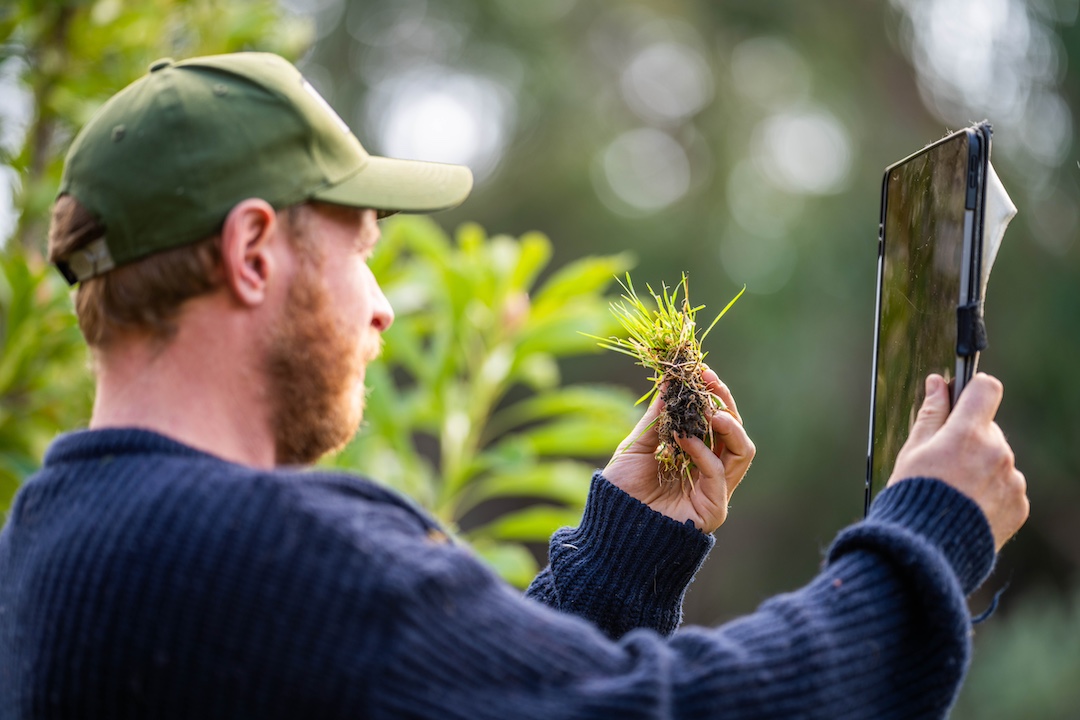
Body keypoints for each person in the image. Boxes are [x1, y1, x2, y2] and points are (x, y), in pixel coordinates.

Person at [0, 52, 1028, 719]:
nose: (382, 307)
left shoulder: (49, 541)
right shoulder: (267, 551)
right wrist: (925, 539)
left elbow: (465, 697)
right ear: (254, 252)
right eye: (360, 250)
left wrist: (626, 557)